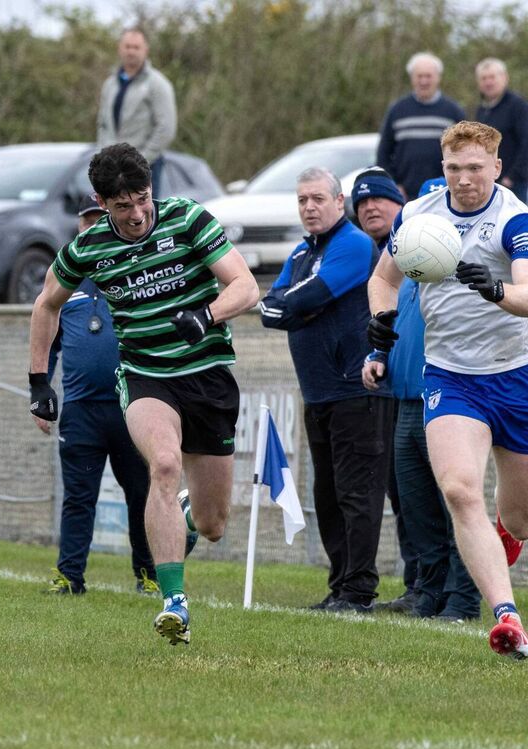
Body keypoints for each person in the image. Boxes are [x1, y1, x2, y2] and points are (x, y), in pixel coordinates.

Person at [28, 143, 259, 645]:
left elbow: (245, 285)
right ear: (101, 202)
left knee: (214, 523)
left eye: (141, 199)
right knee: (162, 463)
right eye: (121, 206)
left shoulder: (188, 219)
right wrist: (38, 380)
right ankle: (173, 603)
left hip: (207, 377)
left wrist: (208, 315)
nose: (136, 215)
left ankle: (184, 516)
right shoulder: (87, 248)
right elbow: (46, 305)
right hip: (145, 376)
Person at [367, 121, 528, 659]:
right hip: (449, 375)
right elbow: (385, 279)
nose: (464, 179)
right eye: (453, 169)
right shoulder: (418, 217)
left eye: (475, 168)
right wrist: (379, 318)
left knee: (521, 519)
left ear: (496, 168)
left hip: (517, 375)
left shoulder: (515, 220)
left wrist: (493, 288)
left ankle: (503, 539)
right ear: (441, 168)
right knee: (459, 490)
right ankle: (507, 618)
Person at [260, 167, 393, 613]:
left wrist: (296, 308)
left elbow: (300, 300)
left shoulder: (354, 244)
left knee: (357, 495)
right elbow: (270, 308)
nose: (310, 207)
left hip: (355, 391)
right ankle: (339, 586)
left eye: (318, 198)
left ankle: (358, 591)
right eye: (302, 200)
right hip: (316, 394)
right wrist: (293, 308)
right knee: (328, 495)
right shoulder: (301, 251)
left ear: (340, 202)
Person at [360, 177, 484, 623]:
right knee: (416, 507)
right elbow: (395, 319)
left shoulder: (460, 268)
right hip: (407, 399)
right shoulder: (412, 267)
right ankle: (426, 592)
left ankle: (463, 598)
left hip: (447, 397)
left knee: (455, 503)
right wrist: (378, 353)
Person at [34, 197, 157, 597]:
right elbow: (47, 341)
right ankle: (71, 576)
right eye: (86, 223)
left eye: (99, 221)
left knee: (142, 494)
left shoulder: (136, 270)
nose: (92, 229)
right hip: (81, 409)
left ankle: (148, 571)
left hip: (132, 405)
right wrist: (42, 388)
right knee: (78, 497)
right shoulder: (64, 282)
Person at [350, 167, 416, 611]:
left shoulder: (419, 247)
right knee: (401, 493)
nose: (371, 207)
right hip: (380, 384)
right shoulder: (365, 253)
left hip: (415, 390)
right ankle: (420, 585)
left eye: (380, 199)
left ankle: (436, 588)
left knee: (425, 493)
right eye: (362, 202)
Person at [96, 28, 177, 193]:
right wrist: (104, 154)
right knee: (114, 216)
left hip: (146, 167)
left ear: (145, 50)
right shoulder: (110, 84)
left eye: (136, 47)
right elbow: (102, 123)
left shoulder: (157, 84)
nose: (131, 51)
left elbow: (166, 128)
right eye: (127, 46)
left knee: (143, 217)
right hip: (112, 168)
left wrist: (140, 160)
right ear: (120, 48)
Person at [377, 52, 466, 199]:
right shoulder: (397, 110)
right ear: (412, 78)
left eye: (428, 76)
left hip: (445, 193)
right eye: (419, 76)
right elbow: (383, 153)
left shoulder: (453, 112)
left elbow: (464, 153)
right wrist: (393, 185)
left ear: (438, 77)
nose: (423, 81)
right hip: (404, 195)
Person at [473, 58, 528, 202]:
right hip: (487, 183)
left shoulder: (519, 106)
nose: (488, 82)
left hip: (512, 185)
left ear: (504, 78)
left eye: (492, 77)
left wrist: (511, 178)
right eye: (484, 78)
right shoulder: (482, 110)